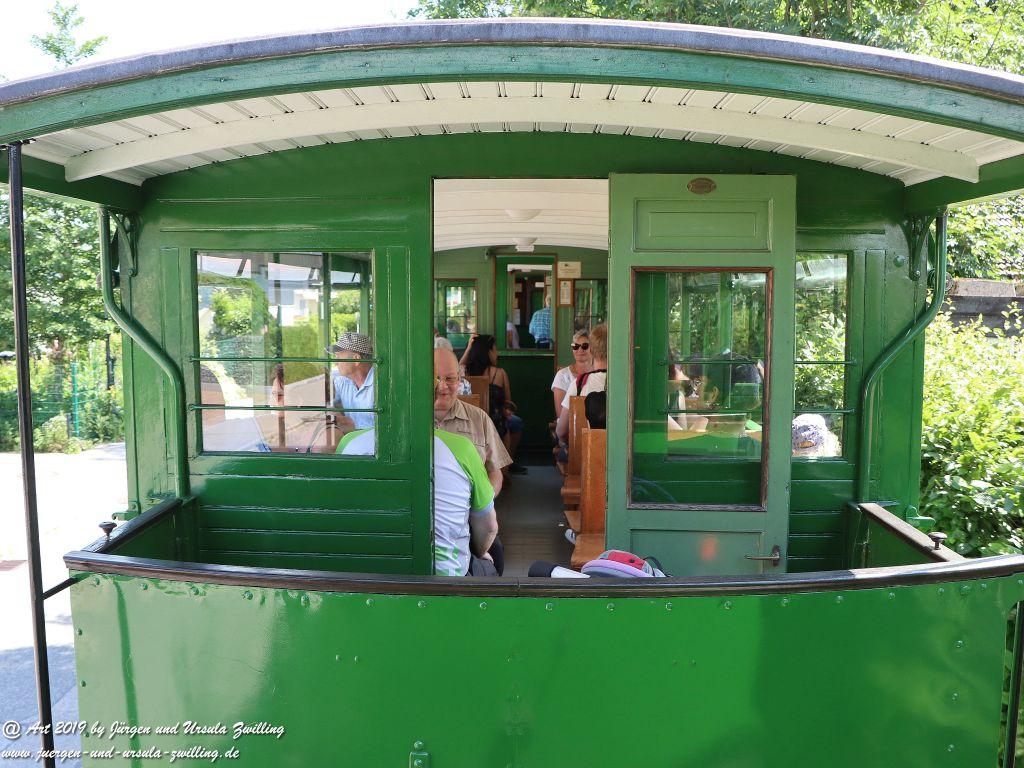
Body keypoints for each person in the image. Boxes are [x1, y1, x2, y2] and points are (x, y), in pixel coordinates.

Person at [338, 425, 499, 576]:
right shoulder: (460, 448)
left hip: (360, 575)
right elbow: (489, 528)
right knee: (492, 561)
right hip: (444, 577)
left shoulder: (349, 442)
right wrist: (478, 553)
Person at [433, 347, 512, 495]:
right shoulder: (406, 421)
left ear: (459, 380)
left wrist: (484, 502)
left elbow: (495, 472)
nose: (442, 387)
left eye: (449, 378)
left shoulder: (480, 419)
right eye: (435, 378)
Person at [461, 334, 526, 473]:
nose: (496, 353)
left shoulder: (463, 372)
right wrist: (507, 410)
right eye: (494, 349)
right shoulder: (499, 373)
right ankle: (507, 461)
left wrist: (468, 349)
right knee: (517, 423)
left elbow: (458, 366)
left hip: (469, 421)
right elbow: (508, 402)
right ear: (488, 352)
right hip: (496, 422)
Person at [556, 323, 608, 441]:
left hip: (589, 448)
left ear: (591, 351)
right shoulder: (628, 383)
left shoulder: (580, 383)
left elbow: (561, 431)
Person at [330, 331, 375, 431]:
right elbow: (326, 402)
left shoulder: (380, 384)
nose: (335, 363)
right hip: (351, 438)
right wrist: (336, 415)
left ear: (356, 359)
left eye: (338, 357)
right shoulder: (341, 381)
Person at [551, 330, 593, 418]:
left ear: (592, 348)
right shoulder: (562, 375)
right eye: (576, 346)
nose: (580, 350)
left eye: (585, 346)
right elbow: (560, 414)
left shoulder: (599, 374)